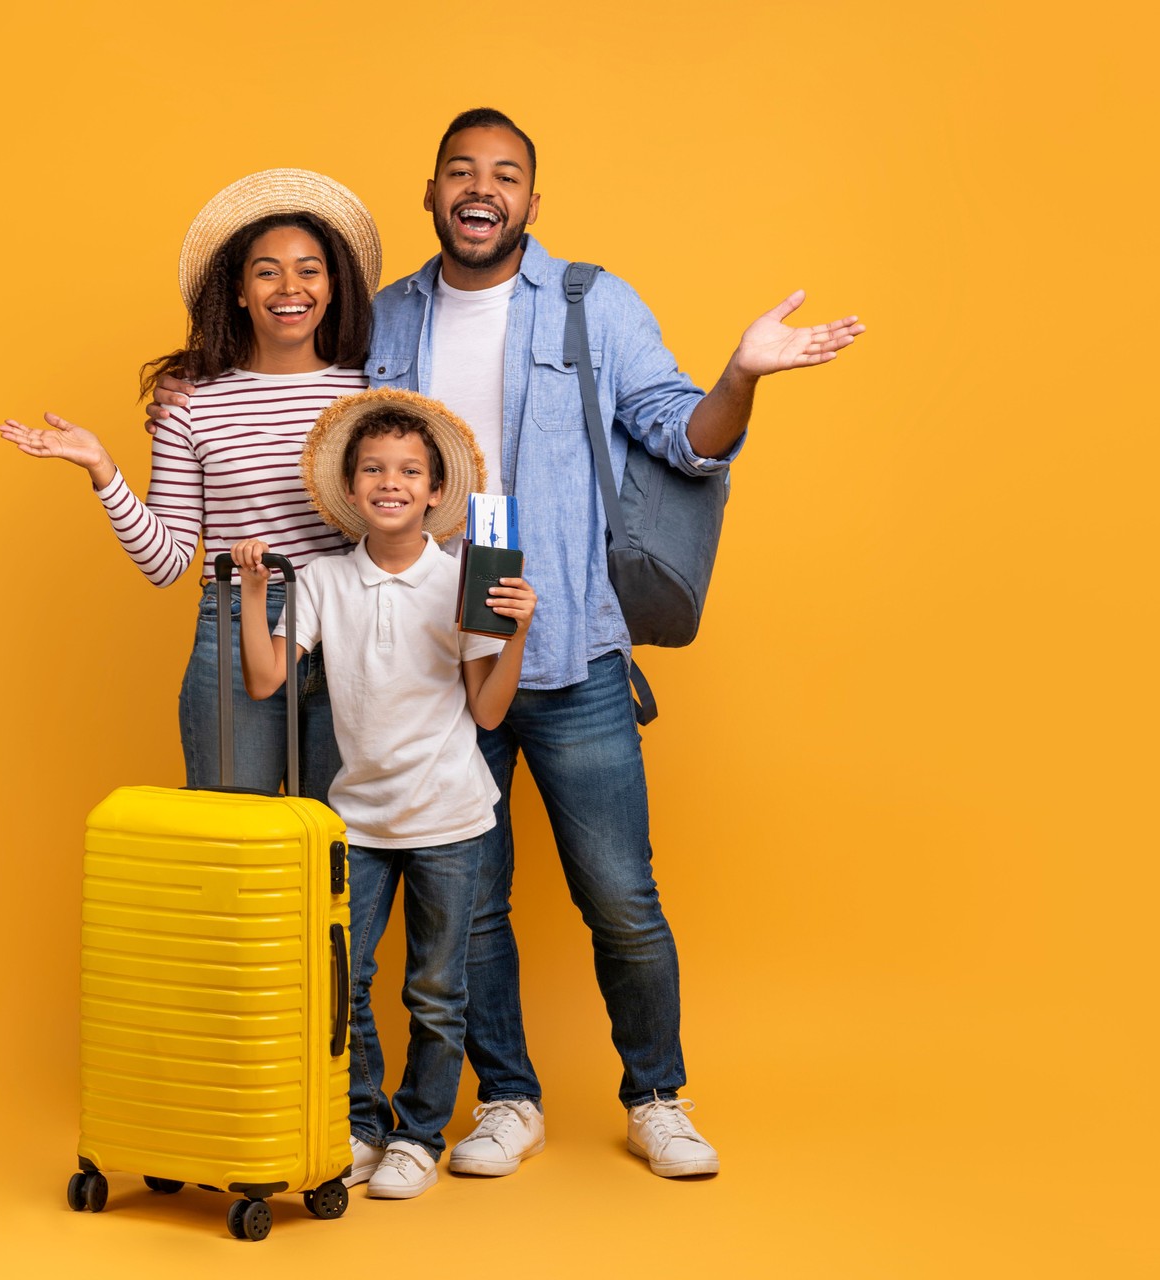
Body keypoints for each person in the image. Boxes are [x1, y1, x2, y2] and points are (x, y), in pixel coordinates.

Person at [153, 108, 866, 1179]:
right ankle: (509, 1096)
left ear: (534, 199)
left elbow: (681, 431)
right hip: (439, 657)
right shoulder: (384, 321)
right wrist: (193, 380)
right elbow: (304, 396)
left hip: (568, 640)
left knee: (619, 893)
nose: (481, 189)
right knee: (469, 906)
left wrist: (742, 377)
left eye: (506, 174)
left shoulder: (593, 303)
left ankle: (657, 1092)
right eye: (459, 172)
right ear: (431, 193)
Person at [231, 389, 536, 1200]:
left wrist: (517, 637)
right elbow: (266, 680)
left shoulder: (467, 580)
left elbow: (489, 709)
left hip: (448, 818)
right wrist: (254, 594)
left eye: (409, 470)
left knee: (437, 989)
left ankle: (421, 1134)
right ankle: (364, 1124)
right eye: (373, 469)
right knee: (347, 978)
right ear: (351, 485)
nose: (390, 482)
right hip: (356, 821)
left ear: (436, 491)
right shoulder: (326, 580)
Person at [0, 169, 382, 800]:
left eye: (309, 269)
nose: (291, 288)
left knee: (339, 853)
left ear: (334, 285)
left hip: (352, 626)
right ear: (237, 290)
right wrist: (103, 470)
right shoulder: (191, 404)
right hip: (236, 628)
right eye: (267, 271)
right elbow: (167, 562)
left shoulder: (372, 387)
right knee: (233, 847)